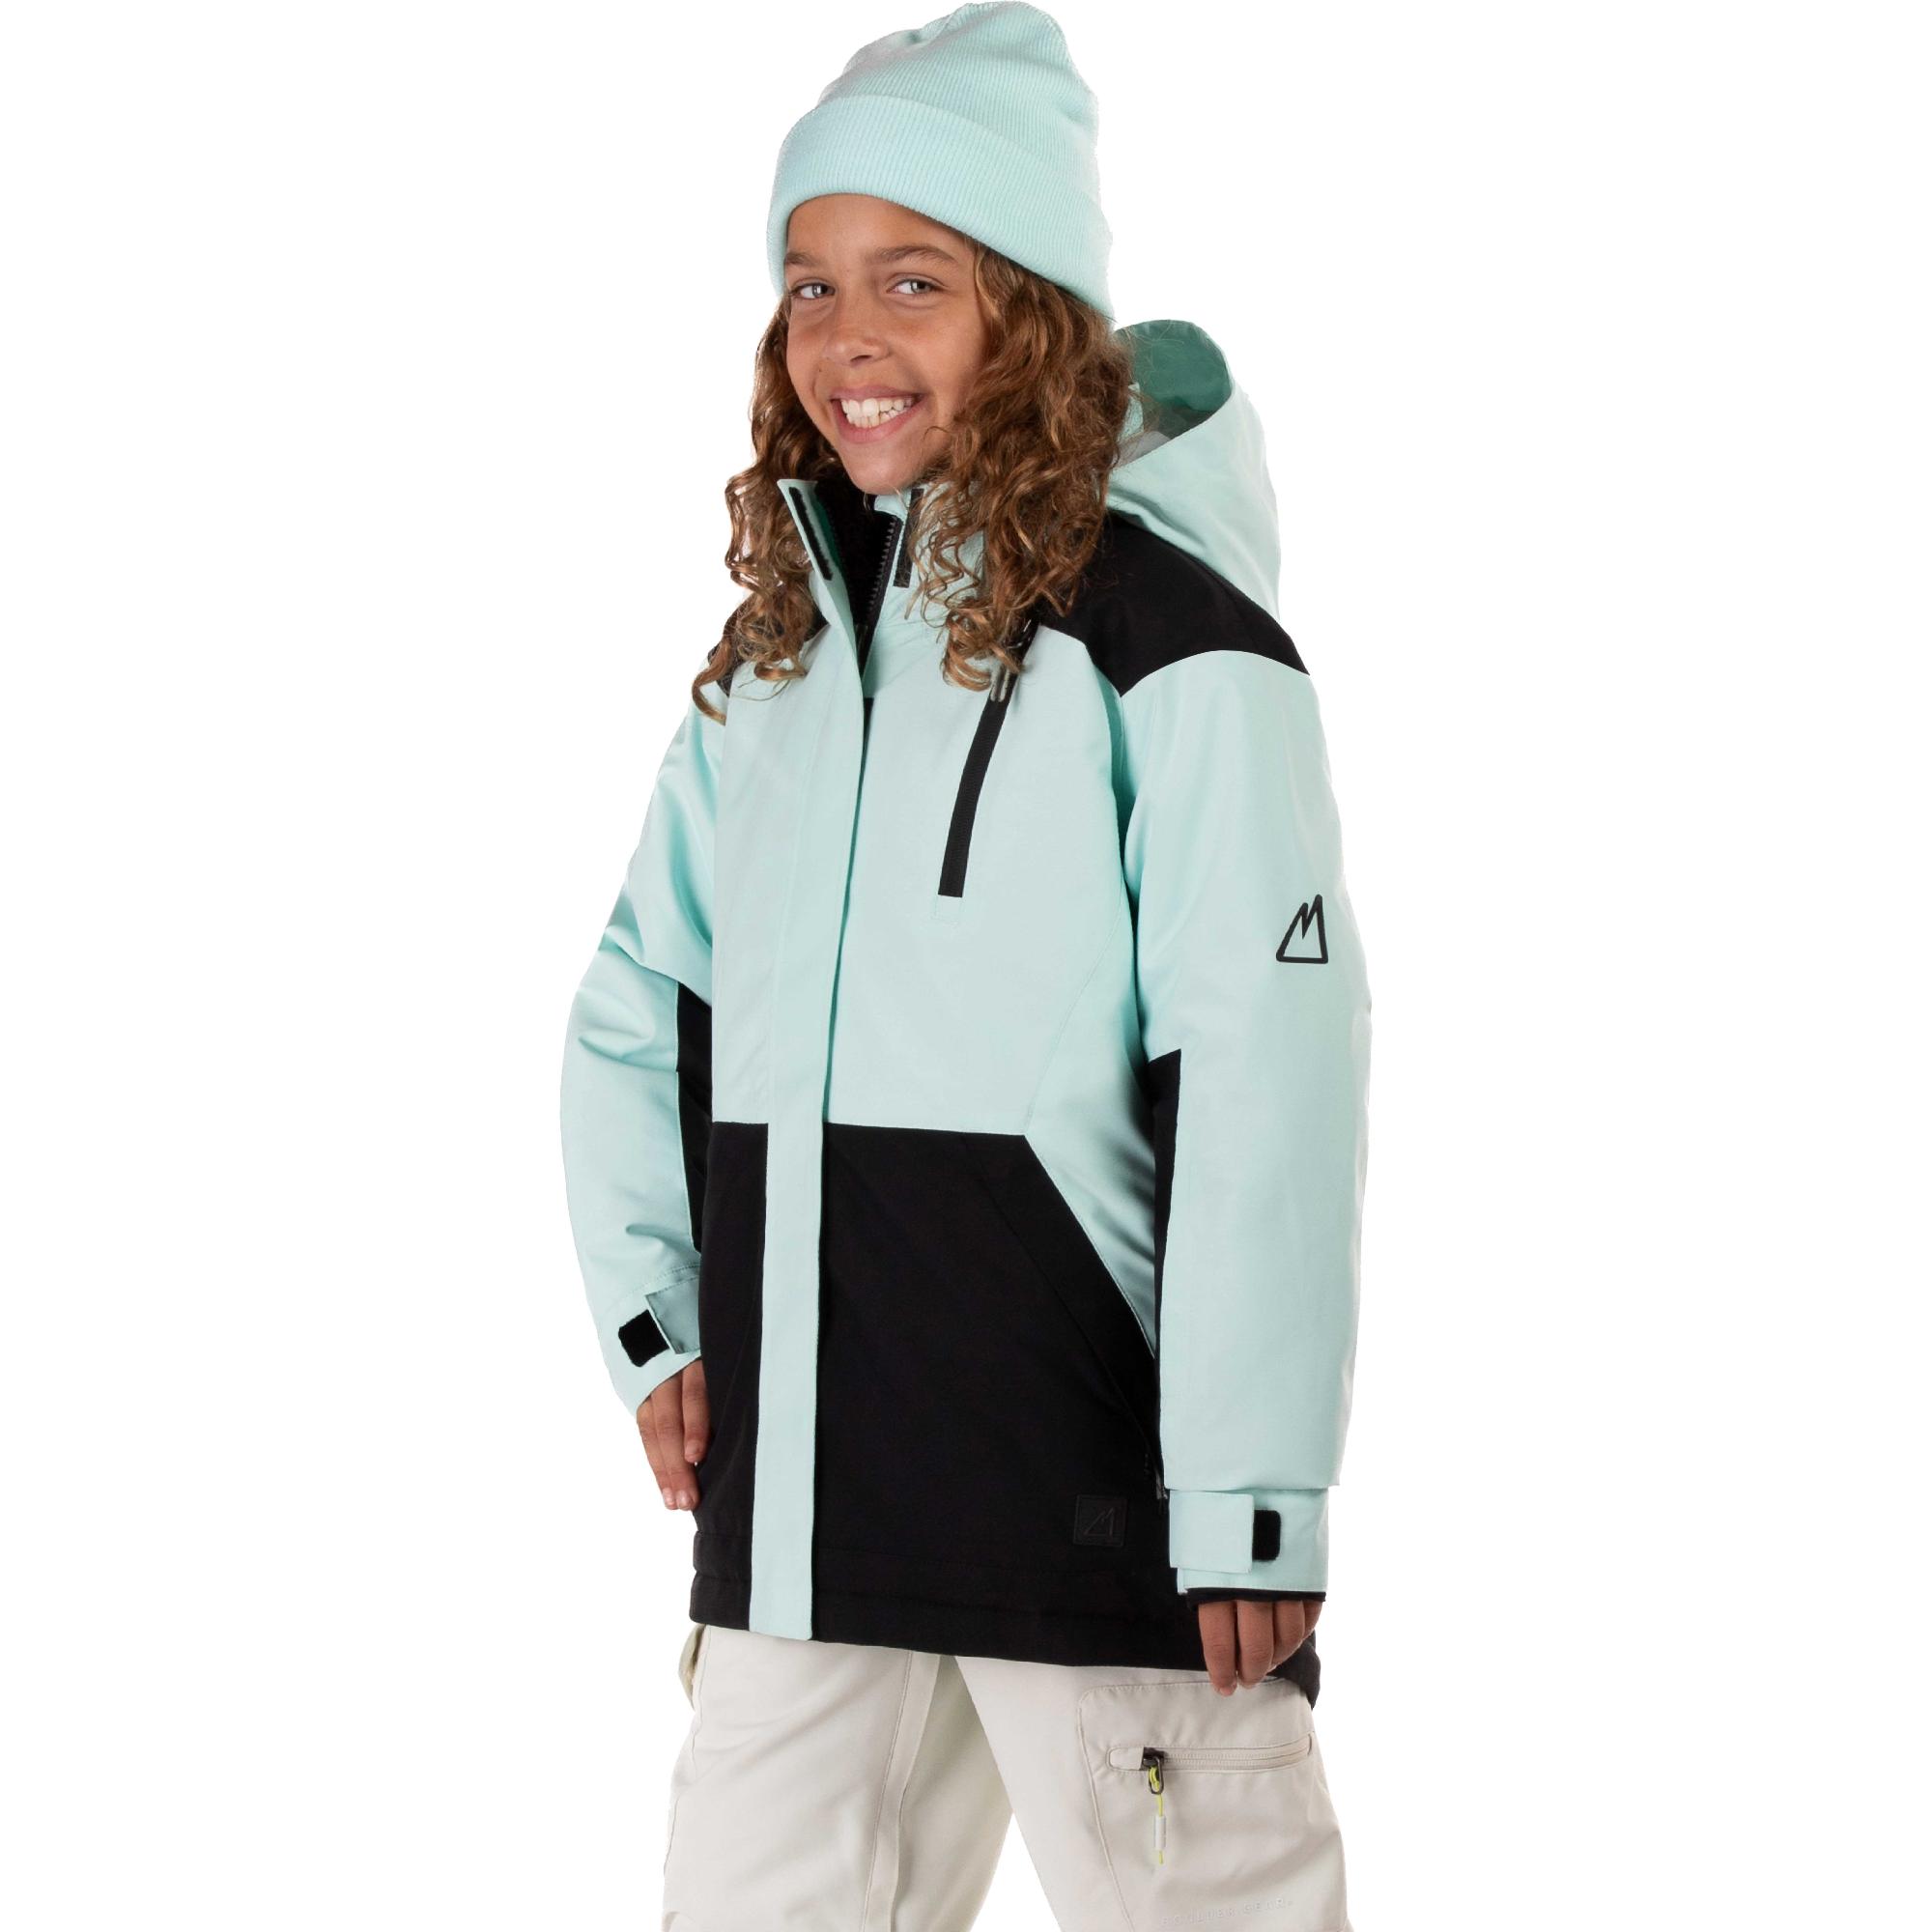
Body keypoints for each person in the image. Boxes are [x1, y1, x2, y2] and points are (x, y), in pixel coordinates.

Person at [557, 5, 1371, 1924]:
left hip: (1082, 1494)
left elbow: (1268, 1064)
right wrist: (660, 1324)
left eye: (912, 279)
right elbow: (637, 1005)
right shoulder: (776, 670)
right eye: (812, 284)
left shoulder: (1174, 645)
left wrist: (1249, 1495)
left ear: (1034, 309)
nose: (851, 334)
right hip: (801, 1506)